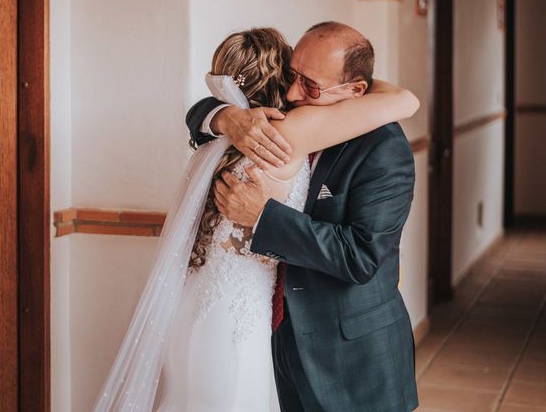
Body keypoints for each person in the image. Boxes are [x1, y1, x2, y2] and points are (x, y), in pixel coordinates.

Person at [93, 26, 418, 412]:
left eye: (311, 86)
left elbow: (361, 257)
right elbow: (200, 113)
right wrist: (224, 116)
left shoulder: (383, 148)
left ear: (356, 91)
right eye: (291, 76)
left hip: (348, 355)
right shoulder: (259, 129)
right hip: (271, 336)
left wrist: (264, 218)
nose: (295, 94)